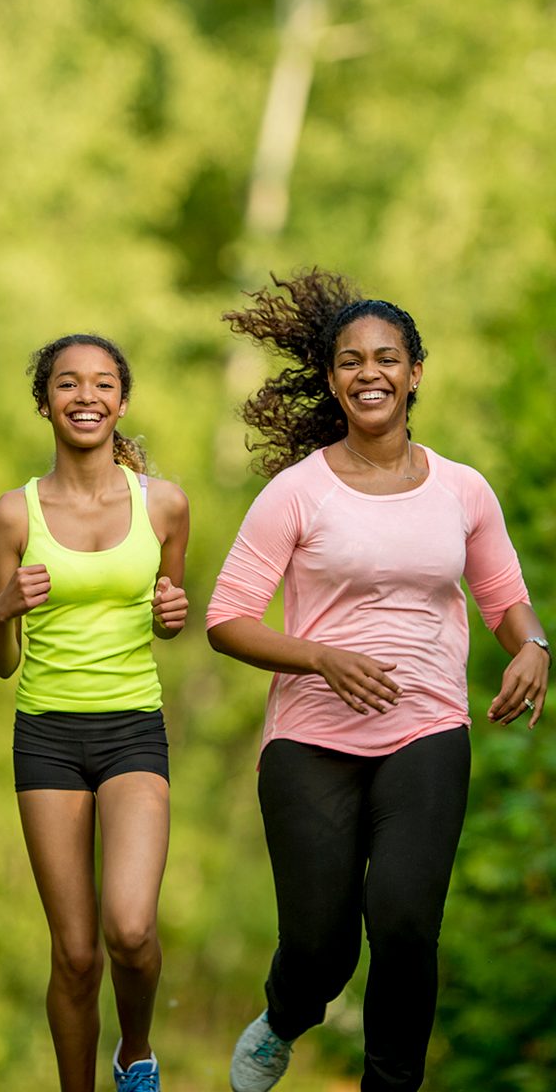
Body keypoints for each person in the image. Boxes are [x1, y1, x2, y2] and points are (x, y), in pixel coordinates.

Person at [205, 271, 548, 1092]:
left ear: (415, 373)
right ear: (332, 380)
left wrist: (533, 645)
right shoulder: (297, 492)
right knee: (322, 947)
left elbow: (505, 600)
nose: (370, 374)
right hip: (310, 741)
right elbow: (228, 618)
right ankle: (287, 1014)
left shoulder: (463, 489)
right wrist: (319, 656)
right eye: (352, 362)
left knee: (403, 924)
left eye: (387, 359)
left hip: (428, 727)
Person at [0, 334, 189, 1092]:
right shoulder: (14, 514)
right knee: (73, 953)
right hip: (47, 736)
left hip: (133, 726)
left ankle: (136, 1052)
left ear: (122, 402)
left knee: (130, 929)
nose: (86, 397)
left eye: (103, 384)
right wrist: (2, 612)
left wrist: (172, 615)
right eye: (68, 384)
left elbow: (170, 618)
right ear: (46, 402)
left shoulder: (163, 505)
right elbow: (0, 658)